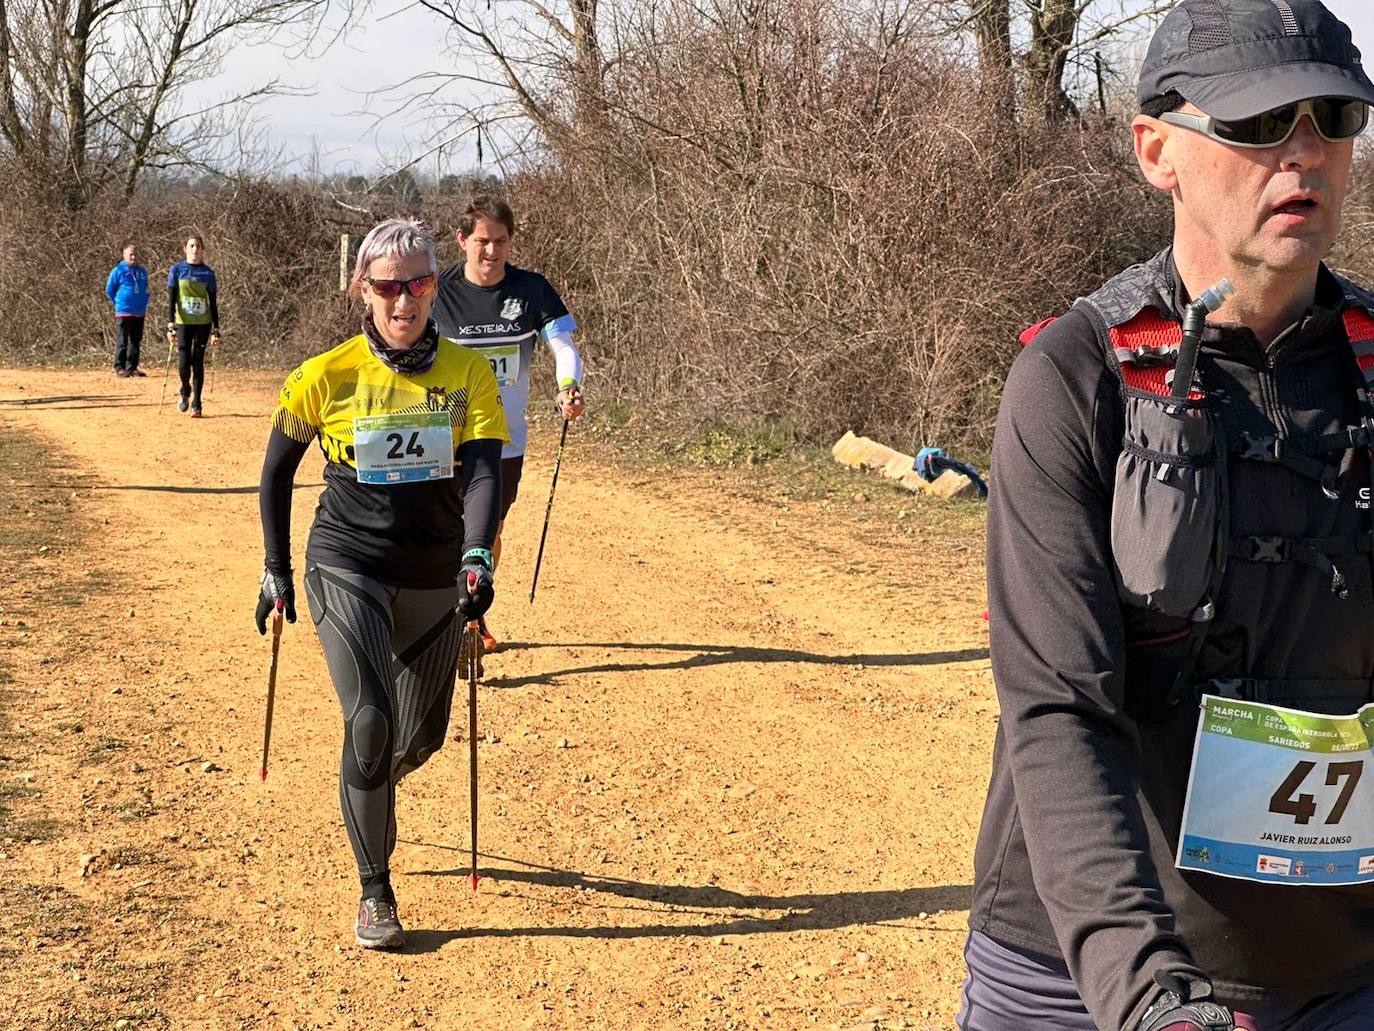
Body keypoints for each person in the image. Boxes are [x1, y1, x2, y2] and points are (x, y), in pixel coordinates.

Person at [962, 2, 1374, 1029]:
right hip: (1084, 973)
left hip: (1338, 972)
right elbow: (1058, 706)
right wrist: (1146, 992)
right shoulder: (1074, 374)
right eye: (1256, 124)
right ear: (1157, 151)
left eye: (1334, 116)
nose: (1307, 152)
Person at [255, 218, 509, 949]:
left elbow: (485, 470)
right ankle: (375, 891)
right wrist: (275, 566)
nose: (405, 301)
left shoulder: (466, 373)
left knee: (416, 737)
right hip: (347, 566)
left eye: (420, 283)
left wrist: (477, 556)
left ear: (437, 285)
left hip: (434, 577)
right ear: (361, 289)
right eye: (389, 286)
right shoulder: (323, 375)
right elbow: (276, 474)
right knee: (369, 724)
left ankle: (365, 784)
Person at [432, 195, 585, 652]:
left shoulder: (532, 289)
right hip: (445, 436)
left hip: (504, 442)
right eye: (482, 241)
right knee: (445, 531)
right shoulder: (438, 291)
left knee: (488, 531)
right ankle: (445, 619)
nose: (491, 252)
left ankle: (475, 616)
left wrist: (568, 385)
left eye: (500, 241)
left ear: (510, 240)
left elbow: (563, 347)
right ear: (462, 240)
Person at [167, 234, 221, 417]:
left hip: (202, 323)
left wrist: (216, 329)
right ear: (185, 249)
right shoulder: (176, 270)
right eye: (191, 246)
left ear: (203, 250)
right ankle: (185, 389)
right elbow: (171, 299)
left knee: (198, 361)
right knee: (184, 362)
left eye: (198, 246)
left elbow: (213, 302)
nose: (195, 249)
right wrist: (170, 325)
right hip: (183, 322)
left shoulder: (208, 273)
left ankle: (197, 403)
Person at [105, 242, 149, 377]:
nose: (134, 257)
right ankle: (120, 367)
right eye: (131, 254)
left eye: (135, 254)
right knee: (122, 340)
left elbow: (145, 288)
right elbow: (109, 290)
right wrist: (117, 302)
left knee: (136, 341)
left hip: (139, 312)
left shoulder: (142, 271)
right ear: (124, 256)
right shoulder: (117, 271)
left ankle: (132, 367)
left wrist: (145, 299)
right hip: (124, 311)